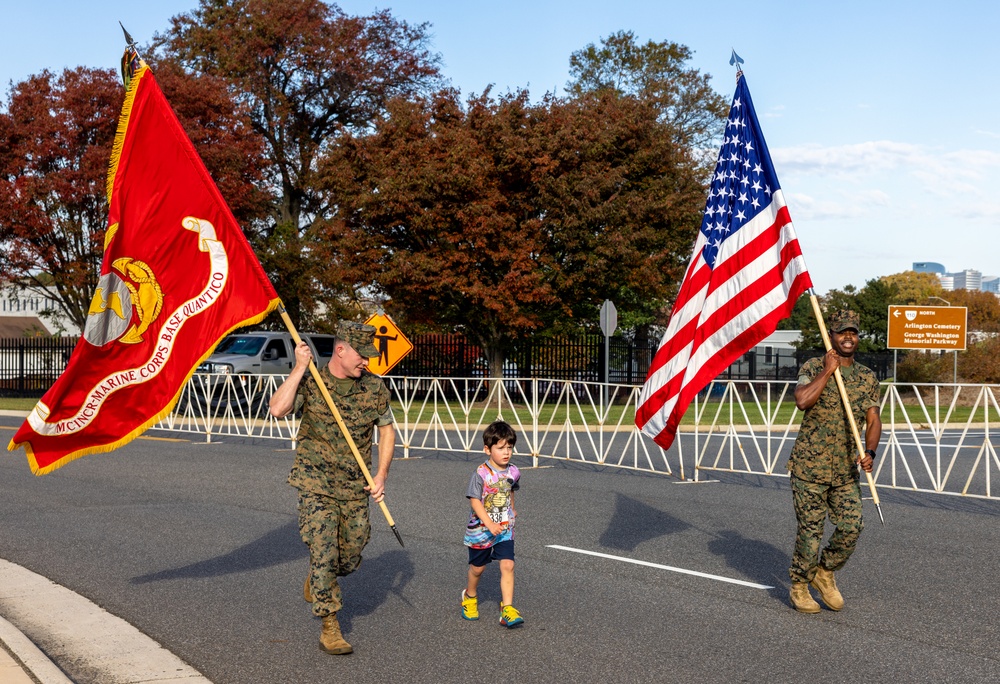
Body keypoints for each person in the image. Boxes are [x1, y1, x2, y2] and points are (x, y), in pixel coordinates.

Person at [269, 320, 394, 655]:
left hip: (355, 487)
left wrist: (381, 475)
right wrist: (299, 368)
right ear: (341, 350)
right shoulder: (314, 384)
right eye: (362, 355)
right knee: (324, 552)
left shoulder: (374, 388)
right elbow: (277, 409)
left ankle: (318, 577)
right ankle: (330, 626)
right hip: (316, 484)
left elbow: (387, 431)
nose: (366, 361)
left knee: (349, 557)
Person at [787, 309, 880, 613]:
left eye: (852, 332)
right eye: (842, 332)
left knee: (853, 526)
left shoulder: (867, 377)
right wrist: (828, 371)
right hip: (809, 469)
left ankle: (824, 574)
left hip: (844, 471)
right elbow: (802, 401)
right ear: (831, 336)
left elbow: (873, 418)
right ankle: (800, 585)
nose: (848, 337)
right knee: (810, 533)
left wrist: (870, 452)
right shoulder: (813, 366)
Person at [461, 420, 524, 628]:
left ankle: (507, 608)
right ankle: (469, 597)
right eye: (501, 448)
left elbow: (510, 490)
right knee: (478, 569)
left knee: (508, 565)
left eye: (509, 447)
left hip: (504, 529)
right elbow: (475, 500)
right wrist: (488, 524)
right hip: (481, 530)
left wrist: (512, 509)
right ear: (487, 449)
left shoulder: (513, 471)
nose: (506, 452)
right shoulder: (480, 473)